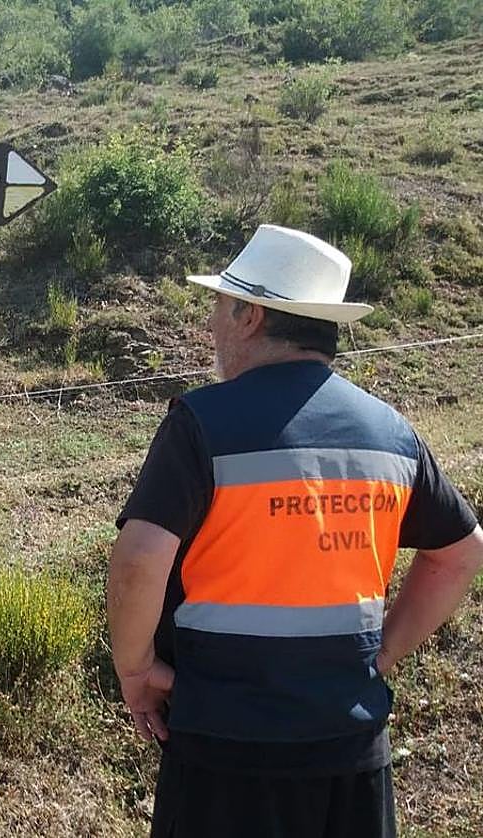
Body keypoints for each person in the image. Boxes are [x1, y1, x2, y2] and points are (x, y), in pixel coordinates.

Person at [106, 224, 483, 838]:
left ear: (251, 315)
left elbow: (139, 557)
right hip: (352, 752)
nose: (211, 327)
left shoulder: (203, 422)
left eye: (220, 308)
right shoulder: (391, 435)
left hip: (224, 752)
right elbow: (462, 552)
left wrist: (135, 669)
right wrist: (380, 654)